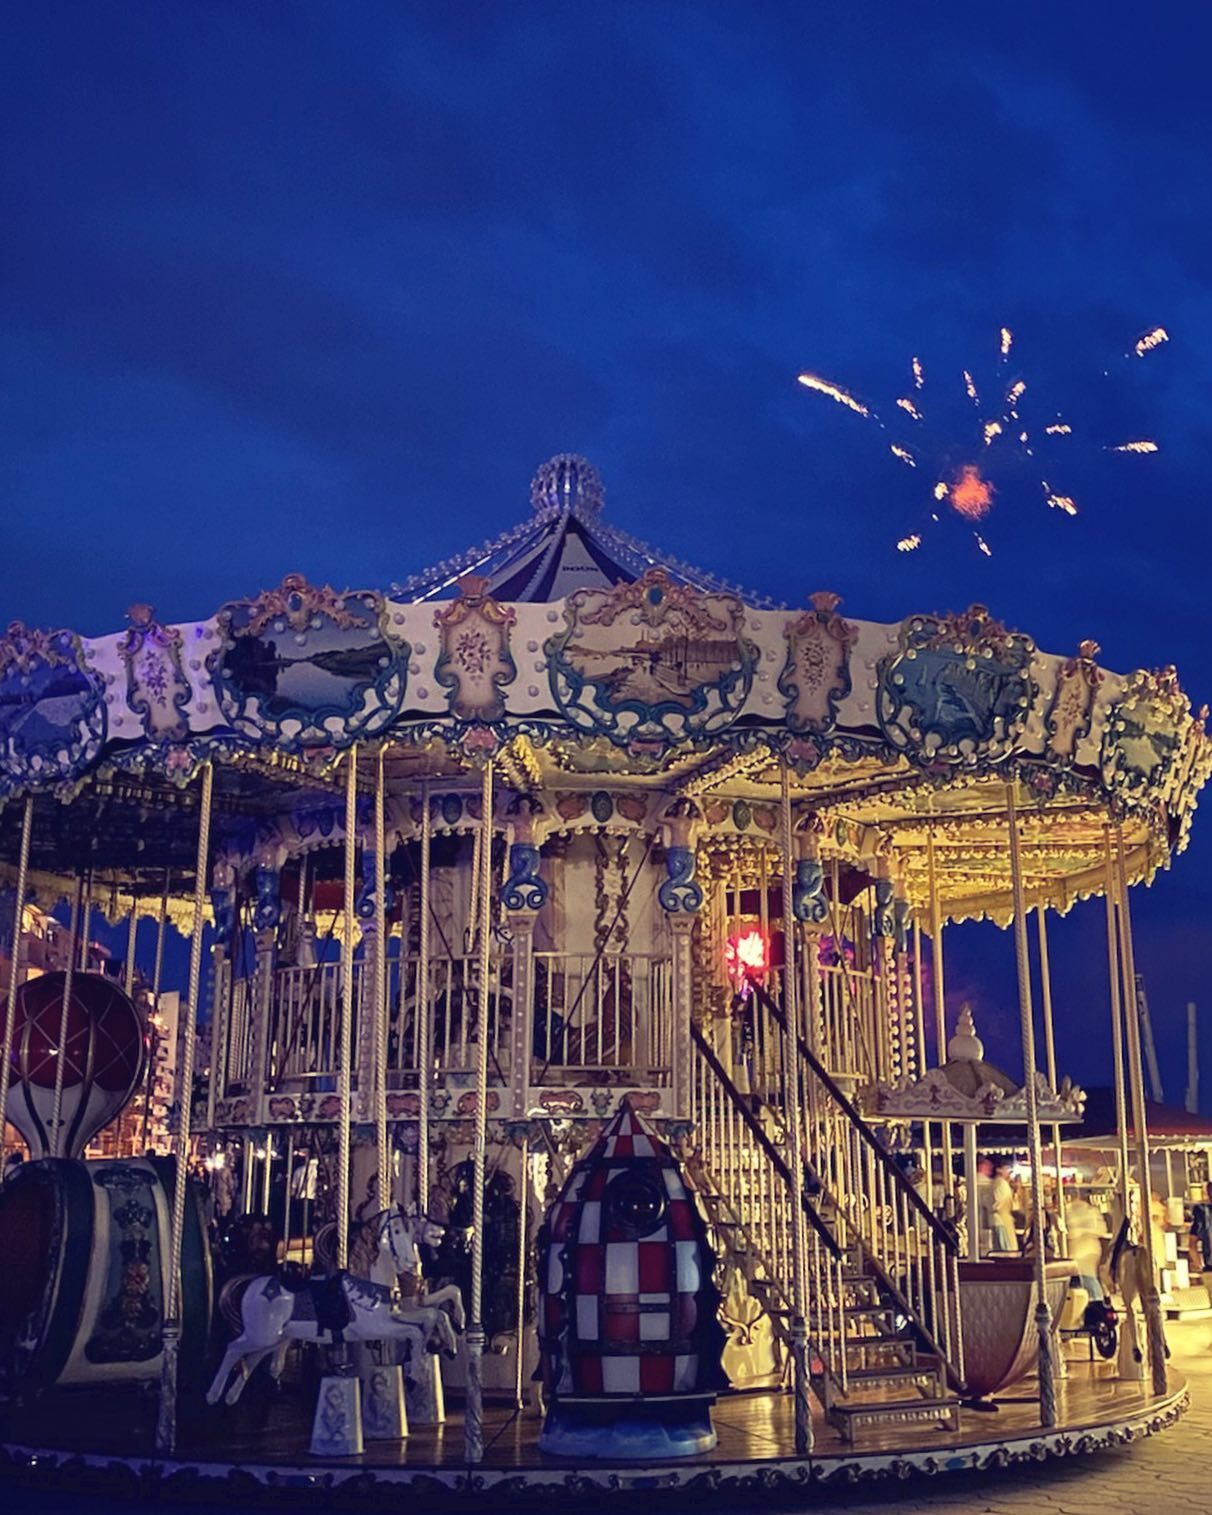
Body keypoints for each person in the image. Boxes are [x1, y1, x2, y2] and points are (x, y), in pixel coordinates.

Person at [990, 1159, 1019, 1253]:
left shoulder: (1001, 1183)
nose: (1009, 1172)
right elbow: (997, 1203)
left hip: (1002, 1220)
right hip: (1002, 1221)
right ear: (999, 1170)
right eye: (1007, 1168)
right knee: (1006, 1250)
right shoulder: (1000, 1183)